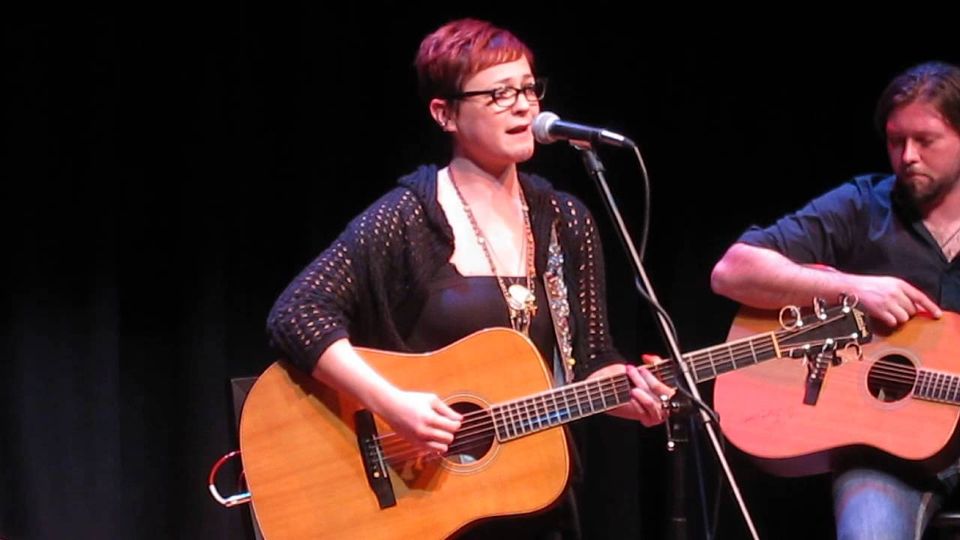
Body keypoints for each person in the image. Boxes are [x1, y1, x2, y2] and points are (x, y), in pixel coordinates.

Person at [266, 18, 671, 539]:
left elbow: (590, 361)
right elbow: (296, 314)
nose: (525, 106)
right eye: (500, 93)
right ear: (445, 113)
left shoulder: (565, 220)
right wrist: (392, 403)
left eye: (528, 89)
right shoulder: (408, 217)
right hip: (428, 502)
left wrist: (630, 397)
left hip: (536, 503)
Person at [711, 60, 960, 539]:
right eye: (895, 140)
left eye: (925, 141)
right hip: (886, 461)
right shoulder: (863, 205)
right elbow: (732, 271)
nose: (907, 156)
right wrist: (853, 288)